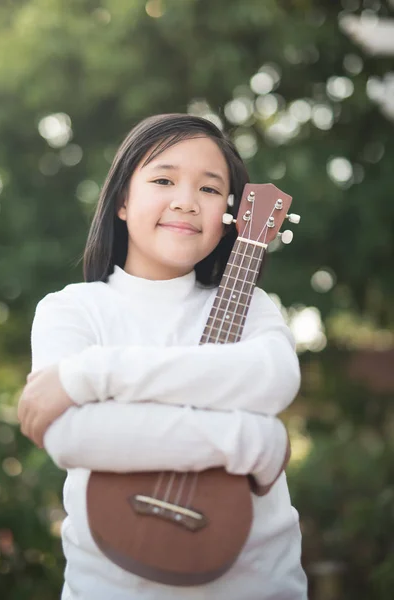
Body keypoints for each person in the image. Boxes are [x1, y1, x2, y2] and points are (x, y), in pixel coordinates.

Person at [18, 113, 308, 599]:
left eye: (210, 190)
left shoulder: (253, 306)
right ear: (123, 201)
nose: (186, 201)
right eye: (163, 179)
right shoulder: (72, 310)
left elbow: (275, 377)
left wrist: (89, 376)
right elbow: (72, 436)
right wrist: (254, 439)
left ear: (232, 217)